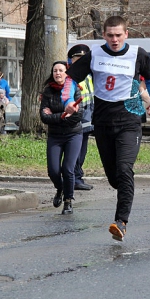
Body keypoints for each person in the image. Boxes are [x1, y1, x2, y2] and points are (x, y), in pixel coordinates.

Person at [63, 16, 150, 241]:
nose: (115, 40)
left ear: (126, 34)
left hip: (130, 118)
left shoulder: (139, 54)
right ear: (104, 36)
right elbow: (70, 78)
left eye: (119, 35)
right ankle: (125, 191)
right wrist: (68, 99)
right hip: (103, 122)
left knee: (124, 168)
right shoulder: (95, 54)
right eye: (110, 35)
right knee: (114, 178)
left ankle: (121, 222)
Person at [40, 61, 83, 215]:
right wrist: (64, 115)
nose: (57, 73)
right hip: (55, 136)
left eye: (60, 70)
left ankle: (68, 201)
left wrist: (56, 116)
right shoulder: (48, 91)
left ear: (66, 73)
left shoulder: (75, 89)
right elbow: (44, 117)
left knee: (68, 168)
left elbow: (78, 116)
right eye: (55, 71)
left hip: (73, 134)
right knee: (53, 171)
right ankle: (60, 188)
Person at [67, 44, 95, 191]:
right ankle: (75, 179)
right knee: (76, 151)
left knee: (82, 151)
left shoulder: (89, 75)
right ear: (71, 60)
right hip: (76, 119)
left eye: (84, 58)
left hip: (87, 119)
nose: (81, 61)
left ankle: (78, 176)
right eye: (77, 58)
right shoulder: (70, 75)